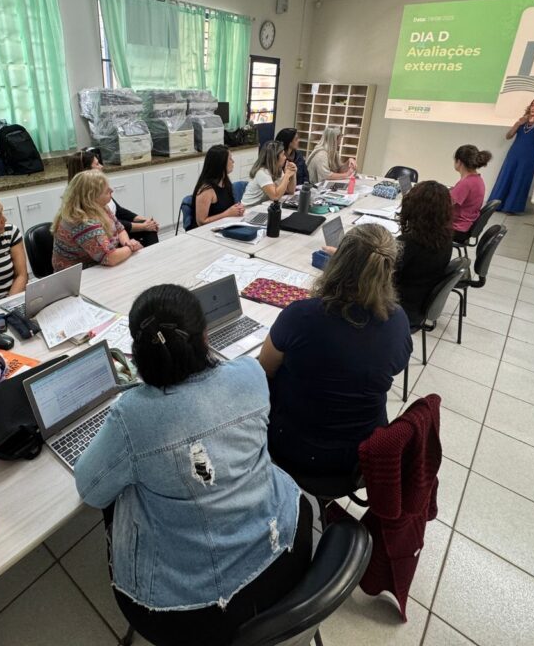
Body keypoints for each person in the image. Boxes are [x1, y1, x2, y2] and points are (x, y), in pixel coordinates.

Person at [75, 285, 311, 646]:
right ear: (205, 337)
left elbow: (91, 491)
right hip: (284, 554)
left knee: (125, 491)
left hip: (193, 613)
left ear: (136, 356)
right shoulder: (249, 374)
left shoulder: (131, 414)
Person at [259, 224, 413, 476]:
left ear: (336, 262)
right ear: (388, 270)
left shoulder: (301, 316)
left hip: (296, 446)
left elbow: (264, 369)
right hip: (363, 454)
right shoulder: (398, 321)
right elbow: (395, 365)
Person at [66, 147, 159, 246]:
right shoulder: (85, 197)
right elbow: (112, 223)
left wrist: (145, 221)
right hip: (106, 238)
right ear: (86, 170)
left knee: (150, 229)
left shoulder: (99, 187)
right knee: (147, 231)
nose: (101, 166)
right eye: (97, 164)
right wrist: (143, 226)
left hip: (118, 231)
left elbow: (119, 212)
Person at [51, 170, 141, 271]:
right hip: (81, 276)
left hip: (98, 266)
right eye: (107, 191)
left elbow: (120, 229)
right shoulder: (83, 222)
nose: (112, 190)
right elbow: (110, 258)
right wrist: (131, 248)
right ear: (91, 197)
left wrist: (127, 243)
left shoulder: (101, 207)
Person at [395, 181, 455, 324]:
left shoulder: (409, 243)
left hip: (400, 310)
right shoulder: (445, 238)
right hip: (419, 305)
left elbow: (382, 276)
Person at [488, 96, 534, 214]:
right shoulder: (524, 119)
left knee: (521, 178)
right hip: (514, 152)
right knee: (507, 175)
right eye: (533, 105)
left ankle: (512, 207)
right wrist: (518, 124)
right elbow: (508, 136)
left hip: (529, 155)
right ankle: (496, 204)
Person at [189, 144, 245, 229]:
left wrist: (237, 209)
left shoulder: (225, 182)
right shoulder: (206, 190)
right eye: (230, 159)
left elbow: (228, 208)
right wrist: (227, 214)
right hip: (205, 232)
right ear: (221, 163)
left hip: (223, 226)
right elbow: (201, 222)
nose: (233, 161)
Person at [450, 145, 492, 243]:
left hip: (457, 229)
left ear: (459, 162)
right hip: (466, 226)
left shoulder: (465, 183)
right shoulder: (478, 179)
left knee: (420, 224)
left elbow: (443, 205)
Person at [241, 140, 297, 207]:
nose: (285, 158)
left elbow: (290, 191)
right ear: (274, 158)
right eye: (282, 155)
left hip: (262, 207)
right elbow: (275, 196)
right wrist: (287, 175)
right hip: (249, 209)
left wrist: (292, 173)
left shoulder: (277, 169)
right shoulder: (262, 172)